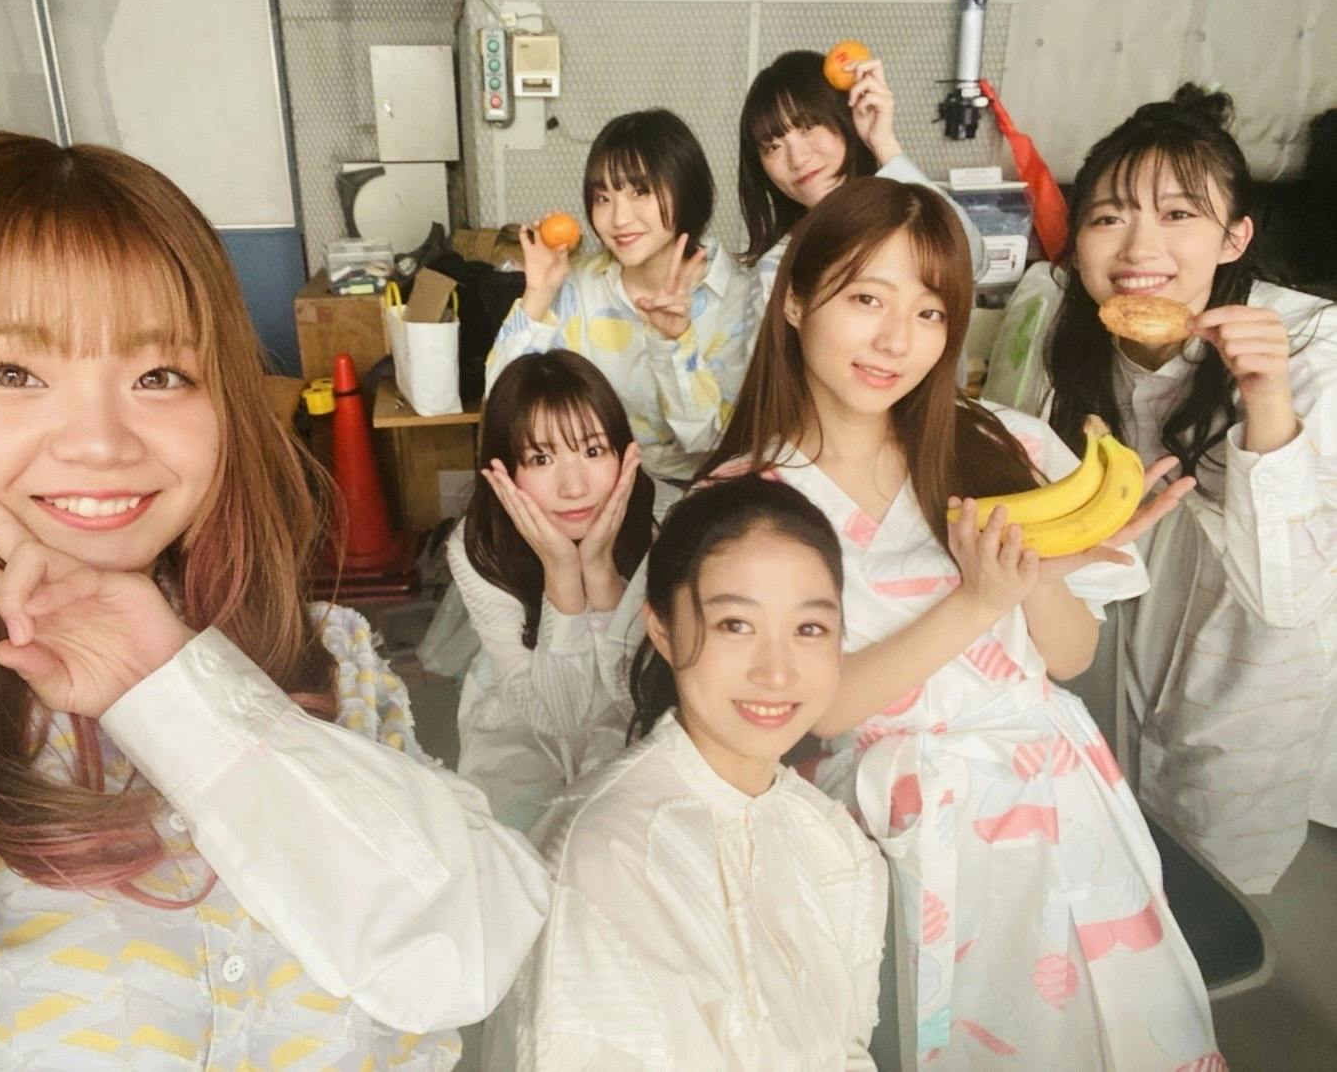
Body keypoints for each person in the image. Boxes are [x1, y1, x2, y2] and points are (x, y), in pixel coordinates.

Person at [0, 132, 549, 1067]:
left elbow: (472, 955)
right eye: (13, 373)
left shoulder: (332, 659)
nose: (102, 442)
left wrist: (180, 697)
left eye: (160, 376)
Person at [620, 176, 1218, 1067]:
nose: (898, 341)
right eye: (867, 299)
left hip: (1056, 803)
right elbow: (815, 708)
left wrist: (1035, 581)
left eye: (931, 312)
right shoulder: (744, 501)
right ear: (795, 301)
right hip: (882, 830)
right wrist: (979, 600)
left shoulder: (1004, 445)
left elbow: (1069, 655)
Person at [1026, 84, 1336, 894]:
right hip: (1127, 628)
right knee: (1116, 858)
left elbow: (1290, 595)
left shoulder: (1314, 350)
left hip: (1253, 666)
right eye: (1109, 216)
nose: (1139, 247)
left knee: (1216, 879)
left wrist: (1267, 400)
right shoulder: (1074, 331)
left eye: (1177, 215)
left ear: (1235, 236)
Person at [486, 475, 887, 1069]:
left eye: (809, 629)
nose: (776, 672)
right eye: (735, 625)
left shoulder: (834, 840)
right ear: (663, 630)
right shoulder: (604, 853)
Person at [450, 350, 662, 829]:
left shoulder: (662, 523)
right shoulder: (477, 546)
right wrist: (562, 575)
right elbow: (560, 720)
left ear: (623, 451)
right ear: (503, 468)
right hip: (526, 718)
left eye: (593, 451)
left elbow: (639, 699)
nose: (574, 488)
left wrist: (602, 574)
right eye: (541, 458)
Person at [487, 108, 752, 482]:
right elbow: (502, 407)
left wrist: (673, 344)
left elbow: (708, 440)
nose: (618, 219)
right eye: (603, 198)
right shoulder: (581, 286)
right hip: (599, 486)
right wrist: (539, 292)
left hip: (706, 489)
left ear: (686, 189)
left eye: (640, 191)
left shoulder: (738, 296)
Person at [738, 49, 990, 337]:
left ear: (845, 116)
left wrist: (883, 142)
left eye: (808, 127)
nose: (797, 158)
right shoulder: (776, 271)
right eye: (772, 146)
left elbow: (971, 263)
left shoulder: (906, 220)